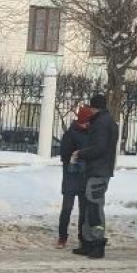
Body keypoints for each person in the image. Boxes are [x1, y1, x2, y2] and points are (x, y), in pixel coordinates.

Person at [71, 94, 119, 259]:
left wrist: (80, 153)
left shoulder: (101, 123)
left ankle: (97, 244)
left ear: (93, 107)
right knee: (91, 206)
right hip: (99, 170)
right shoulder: (107, 121)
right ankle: (88, 243)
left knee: (94, 208)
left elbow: (98, 148)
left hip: (98, 171)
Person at [56, 106, 92, 249]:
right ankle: (63, 236)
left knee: (82, 209)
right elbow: (64, 155)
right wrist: (76, 156)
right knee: (68, 208)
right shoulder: (71, 134)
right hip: (72, 175)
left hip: (80, 176)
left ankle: (80, 237)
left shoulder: (89, 133)